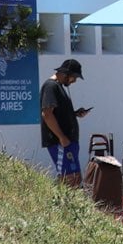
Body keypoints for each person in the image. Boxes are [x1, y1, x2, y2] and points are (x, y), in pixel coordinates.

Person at [38, 57, 88, 185]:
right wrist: (62, 137)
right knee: (69, 179)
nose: (74, 81)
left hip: (68, 143)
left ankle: (71, 205)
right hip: (60, 143)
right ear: (66, 74)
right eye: (74, 77)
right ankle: (62, 204)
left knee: (76, 179)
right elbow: (47, 114)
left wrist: (75, 114)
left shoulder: (59, 87)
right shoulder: (51, 86)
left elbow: (59, 114)